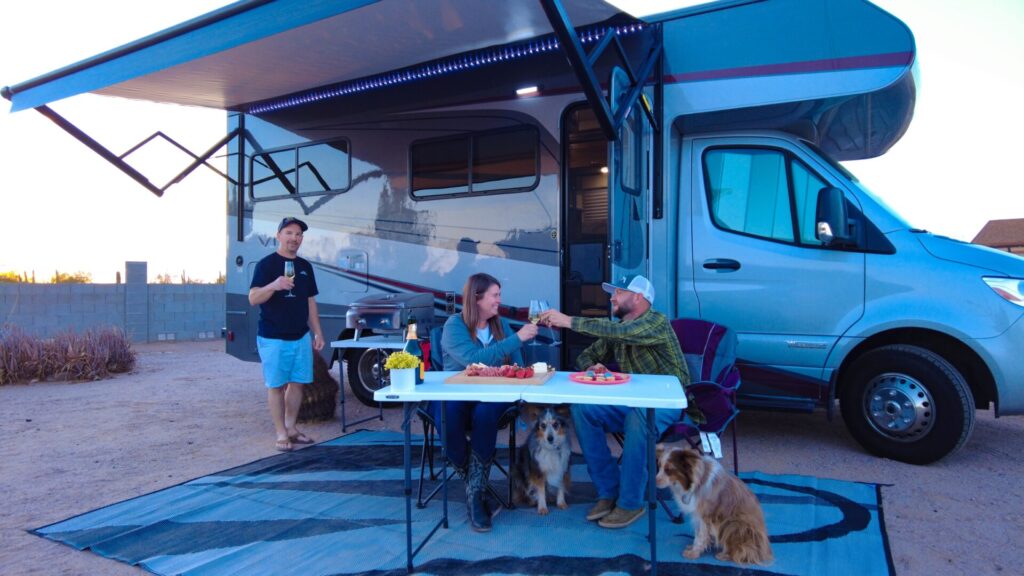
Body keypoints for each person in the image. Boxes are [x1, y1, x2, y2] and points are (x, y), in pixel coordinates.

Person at [539, 274, 703, 529]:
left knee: (639, 416)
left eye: (617, 292)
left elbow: (621, 331)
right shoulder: (619, 329)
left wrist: (569, 321)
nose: (611, 298)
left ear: (638, 297)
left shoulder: (655, 322)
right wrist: (593, 366)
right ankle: (609, 491)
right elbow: (584, 357)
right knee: (582, 410)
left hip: (669, 404)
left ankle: (631, 501)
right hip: (632, 401)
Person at [438, 272, 538, 532]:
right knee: (446, 413)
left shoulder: (500, 324)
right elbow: (475, 360)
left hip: (495, 394)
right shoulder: (454, 326)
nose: (499, 301)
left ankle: (475, 496)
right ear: (477, 298)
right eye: (495, 295)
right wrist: (516, 338)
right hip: (458, 393)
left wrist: (515, 355)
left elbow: (517, 363)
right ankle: (477, 490)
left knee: (485, 413)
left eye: (499, 295)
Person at [248, 217, 325, 452]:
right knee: (276, 386)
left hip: (300, 336)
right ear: (279, 235)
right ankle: (280, 432)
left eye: (299, 234)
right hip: (273, 337)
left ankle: (291, 428)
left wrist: (318, 332)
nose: (294, 238)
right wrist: (274, 285)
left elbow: (310, 301)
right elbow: (253, 299)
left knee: (298, 383)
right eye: (289, 233)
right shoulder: (266, 265)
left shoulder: (305, 267)